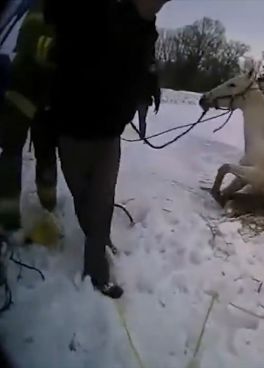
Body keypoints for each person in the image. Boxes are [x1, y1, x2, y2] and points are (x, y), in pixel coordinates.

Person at [43, 0, 166, 298]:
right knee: (84, 199)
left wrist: (148, 80)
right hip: (72, 134)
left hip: (109, 137)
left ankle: (97, 272)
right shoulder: (95, 19)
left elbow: (141, 63)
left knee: (101, 200)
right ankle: (96, 236)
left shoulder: (144, 31)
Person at [0, 0, 59, 245]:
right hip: (24, 88)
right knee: (12, 151)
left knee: (45, 151)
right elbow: (28, 39)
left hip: (47, 94)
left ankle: (49, 205)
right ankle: (8, 220)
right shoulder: (38, 7)